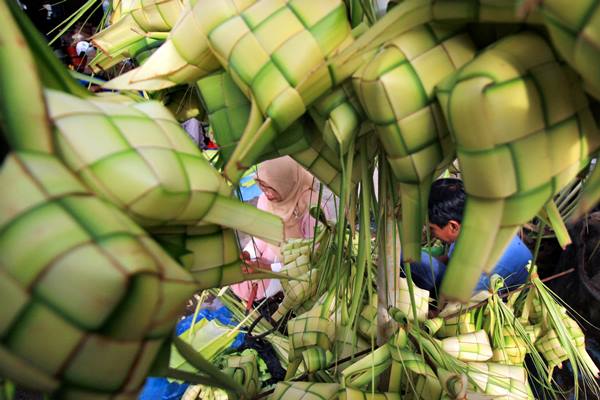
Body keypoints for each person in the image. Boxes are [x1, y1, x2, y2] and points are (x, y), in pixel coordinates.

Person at [231, 156, 334, 307]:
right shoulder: (265, 200)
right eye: (262, 187)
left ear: (285, 183)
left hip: (298, 267)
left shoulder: (312, 208)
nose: (266, 193)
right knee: (239, 277)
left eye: (270, 188)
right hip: (273, 255)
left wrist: (270, 269)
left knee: (258, 286)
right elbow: (261, 236)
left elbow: (315, 258)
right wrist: (248, 254)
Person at [410, 178, 532, 295]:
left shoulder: (485, 263)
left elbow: (458, 309)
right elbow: (449, 260)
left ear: (453, 226)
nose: (432, 234)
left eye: (432, 229)